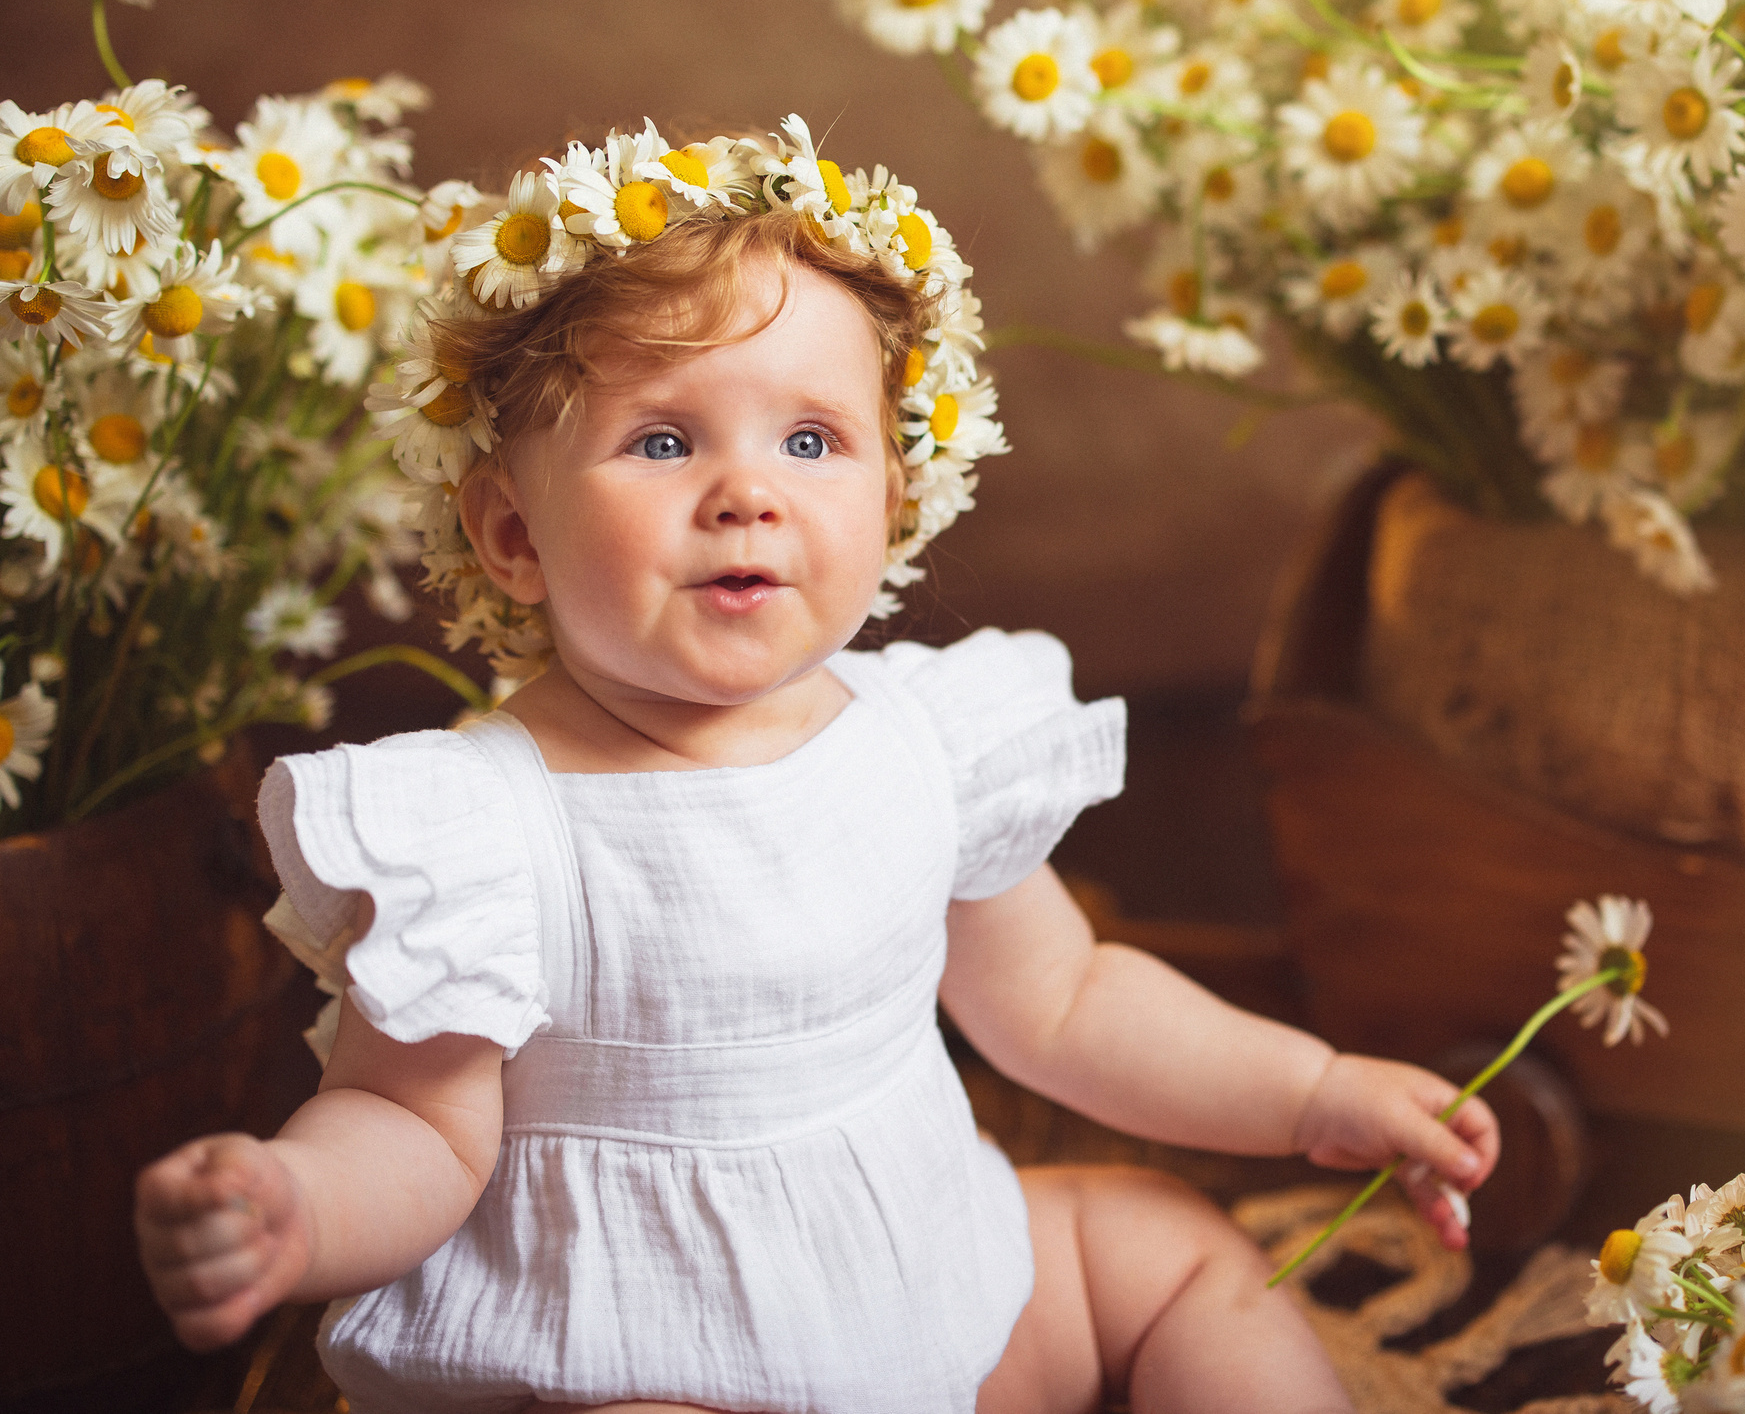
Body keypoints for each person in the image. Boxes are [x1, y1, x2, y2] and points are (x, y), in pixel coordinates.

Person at [132, 120, 1498, 1414]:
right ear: (511, 536)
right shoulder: (486, 826)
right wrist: (294, 1207)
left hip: (923, 1269)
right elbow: (415, 1130)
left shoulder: (922, 738)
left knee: (1173, 1250)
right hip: (640, 1341)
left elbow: (1068, 1002)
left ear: (894, 502)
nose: (748, 491)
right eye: (664, 441)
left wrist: (1312, 1092)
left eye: (812, 440)